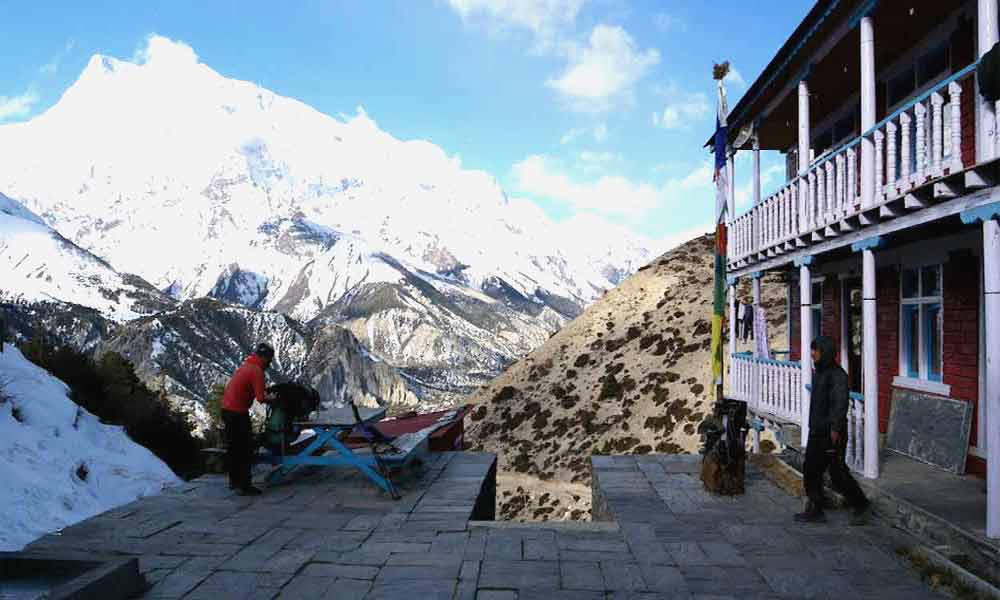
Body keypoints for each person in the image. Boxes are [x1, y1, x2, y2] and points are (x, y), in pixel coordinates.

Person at [795, 335, 872, 524]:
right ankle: (815, 507)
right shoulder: (820, 372)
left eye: (816, 350)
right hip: (817, 431)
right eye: (812, 350)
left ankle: (861, 504)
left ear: (826, 352)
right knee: (811, 469)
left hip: (831, 433)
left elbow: (840, 404)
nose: (812, 354)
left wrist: (835, 429)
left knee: (837, 474)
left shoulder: (838, 375)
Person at [221, 342, 275, 496]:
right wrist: (273, 398)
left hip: (227, 409)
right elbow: (261, 398)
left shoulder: (246, 365)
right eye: (270, 360)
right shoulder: (257, 370)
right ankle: (245, 485)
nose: (270, 364)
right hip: (238, 412)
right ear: (266, 358)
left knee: (234, 448)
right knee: (245, 449)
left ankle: (234, 481)